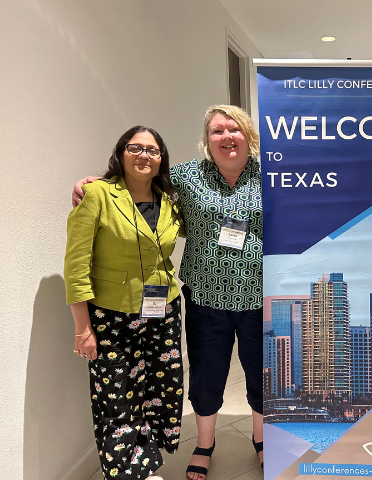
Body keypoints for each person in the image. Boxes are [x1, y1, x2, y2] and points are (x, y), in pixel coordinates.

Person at [73, 105, 263, 480]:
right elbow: (137, 180)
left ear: (249, 136)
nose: (227, 137)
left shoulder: (272, 174)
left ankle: (261, 440)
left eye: (234, 129)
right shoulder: (185, 177)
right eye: (217, 131)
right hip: (206, 297)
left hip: (262, 295)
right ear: (207, 141)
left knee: (262, 373)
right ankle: (204, 444)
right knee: (207, 374)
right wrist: (91, 182)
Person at [64, 126, 184, 480]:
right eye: (136, 147)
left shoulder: (171, 200)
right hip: (111, 316)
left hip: (162, 310)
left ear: (161, 159)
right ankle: (129, 471)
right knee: (117, 395)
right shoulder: (97, 195)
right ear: (122, 152)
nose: (144, 155)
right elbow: (75, 266)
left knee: (161, 387)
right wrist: (82, 328)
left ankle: (148, 461)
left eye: (153, 150)